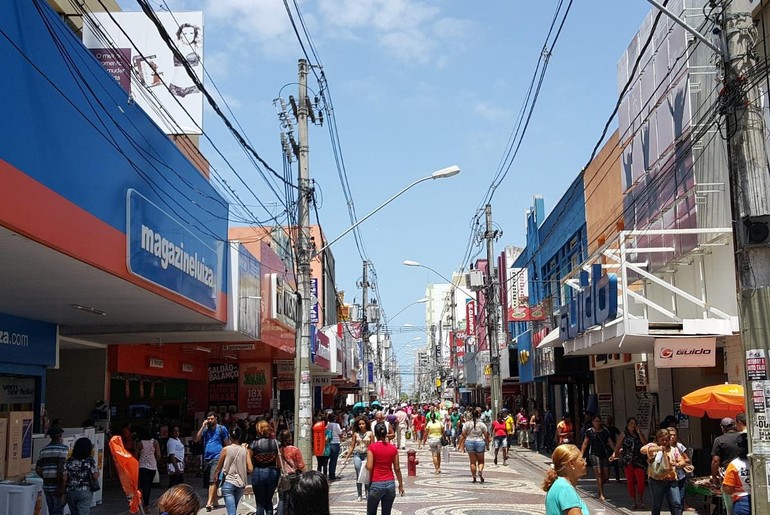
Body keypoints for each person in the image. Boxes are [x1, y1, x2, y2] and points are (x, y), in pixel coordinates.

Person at [641, 428, 685, 515]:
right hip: (656, 480)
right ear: (657, 439)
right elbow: (642, 450)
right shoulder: (652, 446)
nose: (664, 442)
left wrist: (676, 464)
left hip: (671, 480)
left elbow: (682, 461)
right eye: (662, 440)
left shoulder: (673, 449)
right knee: (657, 504)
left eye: (666, 440)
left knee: (677, 503)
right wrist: (658, 449)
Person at [366, 422, 404, 515]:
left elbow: (369, 466)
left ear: (375, 434)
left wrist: (365, 465)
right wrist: (400, 484)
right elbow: (397, 468)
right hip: (390, 484)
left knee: (371, 512)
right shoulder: (393, 448)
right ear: (386, 433)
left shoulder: (372, 447)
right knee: (386, 512)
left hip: (376, 483)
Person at [195, 411, 230, 511]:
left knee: (212, 480)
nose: (210, 420)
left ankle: (209, 502)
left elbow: (226, 443)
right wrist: (202, 427)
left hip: (217, 457)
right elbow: (196, 439)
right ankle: (215, 500)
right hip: (206, 457)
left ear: (216, 419)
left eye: (211, 419)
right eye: (208, 419)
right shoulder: (205, 429)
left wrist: (228, 456)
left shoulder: (221, 429)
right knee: (208, 482)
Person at [611, 416, 648, 509]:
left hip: (639, 459)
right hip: (628, 460)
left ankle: (640, 498)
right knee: (630, 481)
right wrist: (614, 454)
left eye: (634, 424)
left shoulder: (639, 434)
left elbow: (645, 444)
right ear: (627, 425)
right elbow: (618, 445)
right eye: (631, 423)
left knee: (641, 481)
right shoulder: (623, 434)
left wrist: (639, 433)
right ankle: (633, 500)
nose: (633, 425)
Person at [215, 426, 253, 515]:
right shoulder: (245, 450)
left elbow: (218, 466)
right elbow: (250, 468)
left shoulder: (225, 449)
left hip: (228, 481)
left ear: (229, 436)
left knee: (231, 511)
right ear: (240, 437)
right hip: (241, 483)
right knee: (233, 509)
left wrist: (215, 475)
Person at [542, 444, 589, 515]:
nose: (585, 463)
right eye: (581, 459)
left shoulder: (558, 484)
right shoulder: (566, 489)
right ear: (571, 464)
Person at [250, 420, 281, 515]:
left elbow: (249, 459)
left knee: (259, 503)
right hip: (272, 472)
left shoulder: (254, 444)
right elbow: (279, 463)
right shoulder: (276, 443)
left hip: (258, 472)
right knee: (269, 500)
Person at [712, 417, 743, 515]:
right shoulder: (743, 437)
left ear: (722, 428)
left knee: (729, 502)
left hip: (728, 474)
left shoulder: (719, 440)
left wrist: (714, 477)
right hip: (744, 471)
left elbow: (715, 461)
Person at [36, 425, 68, 515]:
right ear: (59, 436)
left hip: (47, 486)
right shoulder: (63, 449)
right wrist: (61, 486)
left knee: (51, 510)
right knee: (58, 510)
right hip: (58, 485)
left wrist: (46, 476)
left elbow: (38, 468)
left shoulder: (43, 450)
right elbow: (61, 468)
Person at [580, 415, 613, 501]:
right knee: (598, 473)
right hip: (594, 453)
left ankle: (599, 486)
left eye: (599, 421)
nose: (598, 423)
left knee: (606, 475)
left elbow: (610, 442)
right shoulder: (589, 431)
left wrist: (615, 451)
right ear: (593, 422)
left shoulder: (605, 431)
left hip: (604, 454)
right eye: (596, 421)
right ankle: (601, 494)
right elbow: (585, 443)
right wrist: (581, 454)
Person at [62, 437, 99, 515]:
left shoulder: (69, 461)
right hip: (85, 491)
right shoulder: (90, 461)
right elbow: (95, 476)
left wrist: (63, 492)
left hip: (71, 491)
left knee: (74, 513)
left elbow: (64, 478)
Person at [277, 429, 306, 515]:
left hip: (282, 476)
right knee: (293, 498)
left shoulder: (279, 451)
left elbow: (278, 465)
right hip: (293, 476)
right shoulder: (295, 450)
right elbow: (301, 465)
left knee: (282, 499)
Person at [457, 407, 490, 483]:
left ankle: (474, 478)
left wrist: (460, 444)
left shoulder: (467, 424)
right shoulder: (482, 424)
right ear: (479, 415)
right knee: (481, 460)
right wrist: (487, 445)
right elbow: (486, 435)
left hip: (469, 441)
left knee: (472, 462)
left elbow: (463, 434)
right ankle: (480, 471)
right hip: (480, 441)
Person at [344, 415, 373, 501]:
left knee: (366, 474)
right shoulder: (355, 434)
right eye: (360, 424)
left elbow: (372, 446)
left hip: (367, 455)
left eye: (363, 424)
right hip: (357, 454)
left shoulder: (370, 433)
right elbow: (352, 446)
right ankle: (359, 494)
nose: (361, 426)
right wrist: (347, 457)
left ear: (366, 424)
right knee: (358, 472)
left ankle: (367, 492)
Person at [722, 433, 750, 515]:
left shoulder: (734, 465)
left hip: (742, 503)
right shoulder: (760, 463)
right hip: (762, 500)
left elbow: (728, 489)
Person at [668, 427, 694, 512]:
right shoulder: (664, 446)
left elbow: (687, 459)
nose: (672, 437)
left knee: (681, 499)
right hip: (670, 476)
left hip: (681, 476)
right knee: (674, 501)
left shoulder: (679, 446)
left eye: (674, 435)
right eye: (670, 435)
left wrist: (678, 462)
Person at [136, 426, 161, 512]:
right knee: (149, 486)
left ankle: (145, 504)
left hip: (142, 466)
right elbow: (158, 455)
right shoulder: (155, 442)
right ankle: (146, 504)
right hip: (152, 466)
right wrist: (153, 461)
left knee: (144, 486)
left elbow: (135, 456)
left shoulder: (139, 443)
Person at [326, 413, 343, 480]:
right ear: (335, 418)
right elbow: (340, 434)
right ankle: (332, 475)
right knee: (333, 460)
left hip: (328, 444)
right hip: (335, 443)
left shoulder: (327, 425)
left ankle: (325, 474)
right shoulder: (337, 425)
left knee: (326, 461)